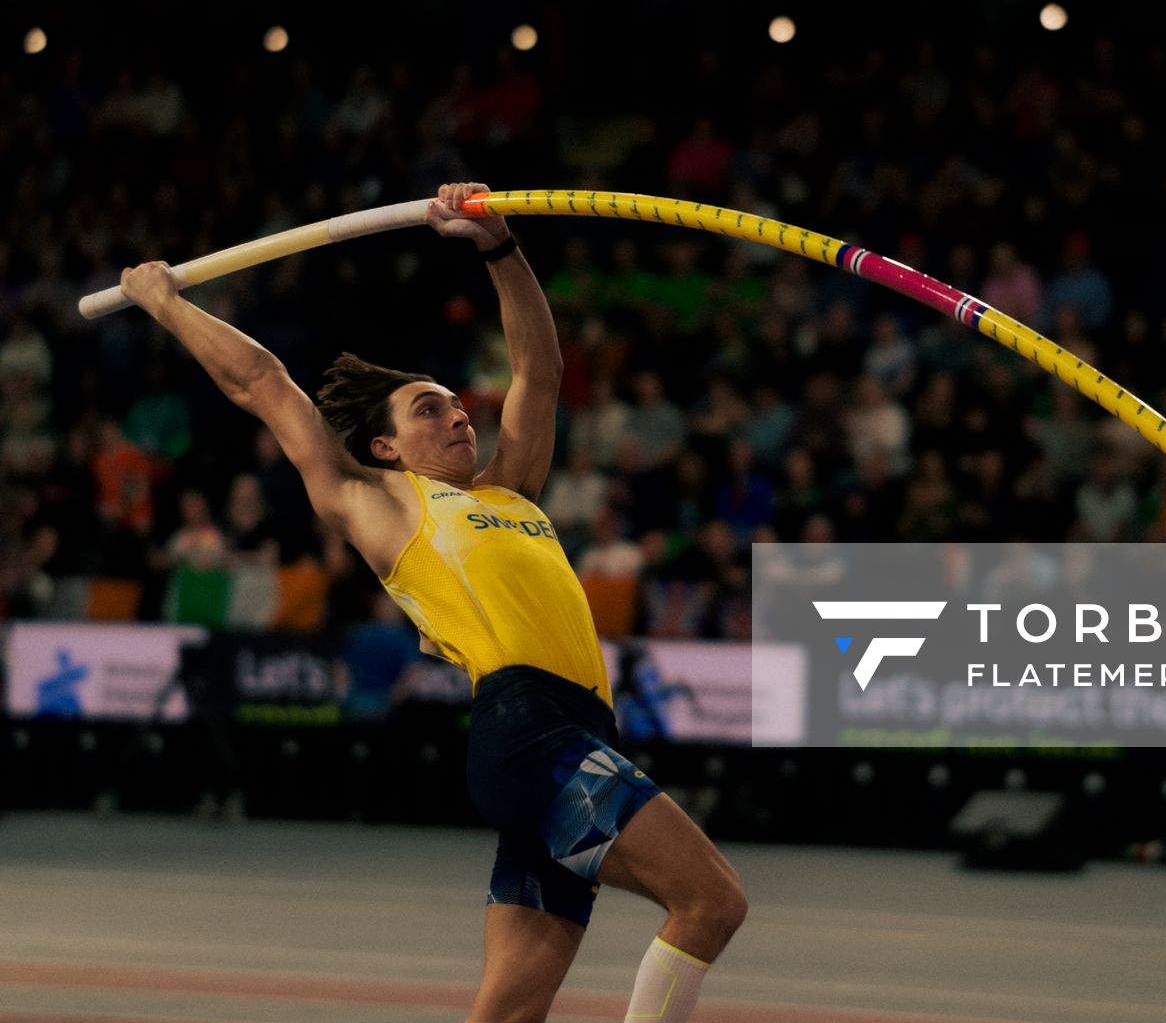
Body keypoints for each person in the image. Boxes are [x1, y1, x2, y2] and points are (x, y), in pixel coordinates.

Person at [116, 181, 745, 1022]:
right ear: (384, 446)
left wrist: (499, 245)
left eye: (455, 403)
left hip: (573, 733)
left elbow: (540, 371)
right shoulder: (384, 505)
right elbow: (263, 384)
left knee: (508, 1010)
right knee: (711, 902)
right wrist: (164, 301)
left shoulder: (512, 490)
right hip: (532, 732)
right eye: (429, 410)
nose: (458, 415)